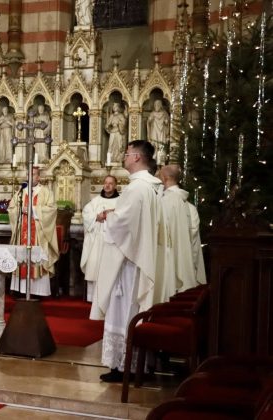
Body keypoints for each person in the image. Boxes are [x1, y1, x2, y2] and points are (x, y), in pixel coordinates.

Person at [90, 140, 162, 382]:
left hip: (128, 262)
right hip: (139, 256)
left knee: (123, 312)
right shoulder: (151, 187)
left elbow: (123, 224)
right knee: (131, 311)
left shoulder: (137, 188)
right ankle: (134, 363)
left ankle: (123, 366)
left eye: (127, 153)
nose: (124, 156)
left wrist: (108, 217)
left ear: (137, 157)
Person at [8, 166, 59, 296]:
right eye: (28, 174)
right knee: (21, 256)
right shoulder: (21, 192)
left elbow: (52, 210)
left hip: (38, 235)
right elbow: (11, 209)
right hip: (23, 233)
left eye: (33, 174)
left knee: (37, 258)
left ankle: (37, 291)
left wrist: (34, 210)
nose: (30, 177)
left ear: (38, 177)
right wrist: (20, 210)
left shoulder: (46, 192)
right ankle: (21, 290)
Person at [158, 165, 200, 299]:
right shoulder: (190, 207)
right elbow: (193, 237)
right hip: (185, 259)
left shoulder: (163, 202)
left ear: (164, 178)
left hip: (167, 260)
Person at [80, 175, 119, 302]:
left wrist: (111, 215)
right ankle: (93, 298)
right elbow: (86, 213)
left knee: (110, 269)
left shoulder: (120, 201)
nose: (107, 185)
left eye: (110, 183)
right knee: (95, 266)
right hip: (97, 240)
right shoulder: (95, 201)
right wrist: (96, 217)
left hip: (113, 241)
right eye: (106, 183)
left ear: (115, 186)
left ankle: (110, 299)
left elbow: (124, 216)